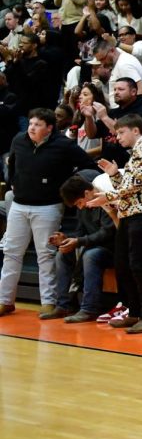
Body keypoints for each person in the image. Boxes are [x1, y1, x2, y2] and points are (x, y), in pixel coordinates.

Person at [0, 108, 96, 317]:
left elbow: (88, 165)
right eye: (31, 123)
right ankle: (5, 300)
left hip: (49, 207)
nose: (31, 128)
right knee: (11, 253)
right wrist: (12, 184)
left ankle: (49, 302)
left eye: (37, 125)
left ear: (49, 128)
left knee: (46, 254)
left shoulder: (63, 145)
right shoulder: (19, 140)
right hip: (19, 204)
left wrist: (66, 188)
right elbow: (12, 164)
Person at [89, 115, 142, 334]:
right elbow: (130, 185)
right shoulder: (135, 153)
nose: (118, 138)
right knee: (122, 262)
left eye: (121, 133)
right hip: (131, 211)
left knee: (138, 264)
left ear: (135, 130)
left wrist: (109, 196)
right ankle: (134, 312)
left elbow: (137, 183)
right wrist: (114, 176)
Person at [49, 172, 116, 323]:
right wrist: (66, 240)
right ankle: (64, 305)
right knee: (62, 254)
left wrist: (78, 241)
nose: (80, 207)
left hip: (113, 249)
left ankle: (89, 308)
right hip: (92, 246)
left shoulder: (105, 199)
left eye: (79, 203)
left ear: (87, 193)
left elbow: (108, 232)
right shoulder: (84, 207)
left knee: (90, 255)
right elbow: (80, 232)